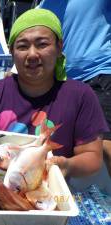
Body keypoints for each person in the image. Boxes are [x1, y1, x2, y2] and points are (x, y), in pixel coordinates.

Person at [0, 8, 110, 178]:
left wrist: (67, 166)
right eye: (22, 46)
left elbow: (92, 156)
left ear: (59, 47)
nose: (32, 54)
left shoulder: (81, 95)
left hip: (53, 188)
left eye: (42, 44)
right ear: (11, 51)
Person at [37, 0, 111, 178]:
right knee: (66, 144)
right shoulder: (44, 5)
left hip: (100, 73)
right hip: (65, 82)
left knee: (105, 145)